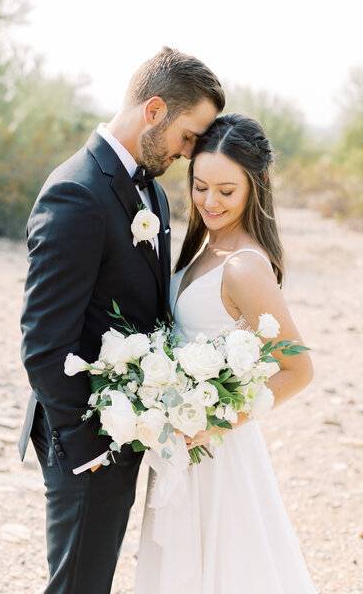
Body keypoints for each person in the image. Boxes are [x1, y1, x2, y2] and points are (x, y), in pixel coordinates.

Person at [18, 47, 225, 594]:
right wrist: (88, 451)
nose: (188, 154)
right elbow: (43, 342)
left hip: (124, 427)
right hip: (85, 435)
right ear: (153, 110)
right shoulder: (76, 192)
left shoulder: (150, 188)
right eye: (188, 136)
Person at [135, 113, 317, 593]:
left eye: (226, 191)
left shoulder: (244, 268)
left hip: (218, 450)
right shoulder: (205, 248)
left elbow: (298, 369)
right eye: (200, 186)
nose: (209, 202)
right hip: (179, 444)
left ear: (254, 187)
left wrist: (211, 421)